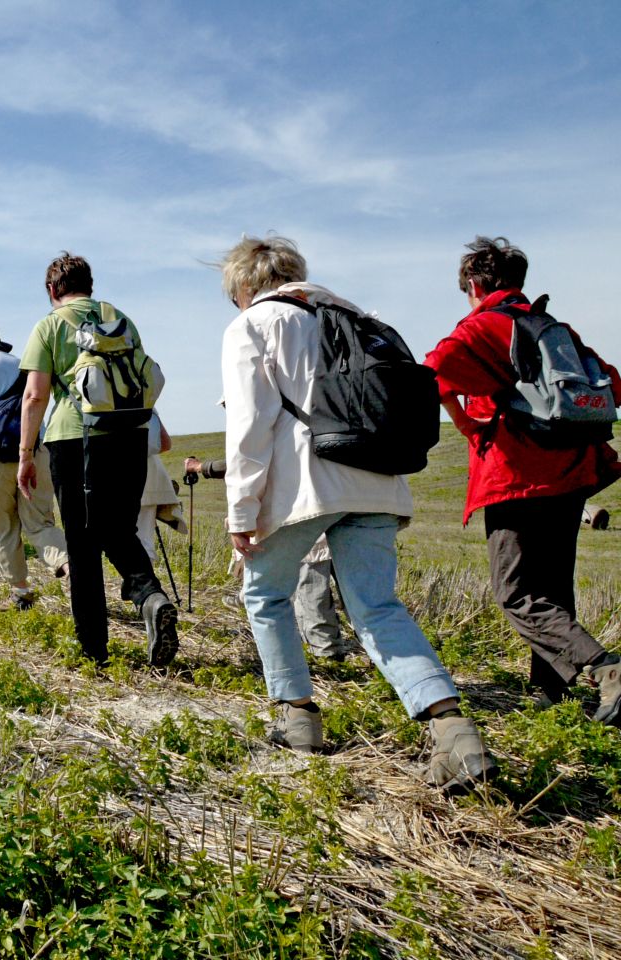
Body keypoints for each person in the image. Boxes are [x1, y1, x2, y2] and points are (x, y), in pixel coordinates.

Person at [217, 234, 495, 793]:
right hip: (376, 478)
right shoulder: (360, 316)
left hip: (307, 485)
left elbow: (249, 425)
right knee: (377, 608)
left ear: (245, 285)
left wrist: (241, 511)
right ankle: (453, 731)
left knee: (265, 595)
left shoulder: (254, 324)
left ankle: (297, 716)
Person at [425, 236, 621, 723]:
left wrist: (467, 422)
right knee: (553, 588)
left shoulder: (482, 326)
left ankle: (606, 669)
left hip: (517, 475)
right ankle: (553, 696)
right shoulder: (555, 328)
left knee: (516, 595)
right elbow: (613, 383)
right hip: (571, 474)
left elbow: (430, 373)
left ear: (473, 284)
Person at [17, 252, 179, 667]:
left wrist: (24, 455)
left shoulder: (50, 325)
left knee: (82, 545)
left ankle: (94, 650)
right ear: (90, 284)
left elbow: (35, 395)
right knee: (118, 530)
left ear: (52, 289)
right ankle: (150, 596)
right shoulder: (120, 319)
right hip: (130, 437)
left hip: (75, 439)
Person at [186, 456, 353, 661]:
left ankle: (329, 659)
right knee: (360, 597)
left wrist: (201, 467)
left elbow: (244, 461)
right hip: (349, 509)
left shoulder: (289, 429)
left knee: (312, 594)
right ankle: (375, 652)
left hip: (308, 514)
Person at [0, 323, 69, 609]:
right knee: (40, 522)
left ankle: (21, 591)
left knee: (2, 526)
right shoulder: (24, 364)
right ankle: (69, 567)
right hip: (35, 451)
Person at [136, 414, 186, 564]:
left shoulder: (96, 398)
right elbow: (164, 443)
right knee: (142, 543)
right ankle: (144, 586)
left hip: (112, 481)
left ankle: (143, 586)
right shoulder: (144, 396)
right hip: (148, 482)